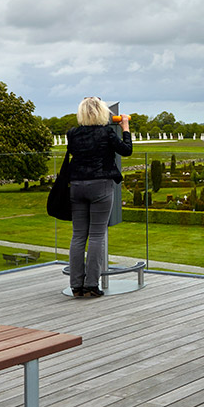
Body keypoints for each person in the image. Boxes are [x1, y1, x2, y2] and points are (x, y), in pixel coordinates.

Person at [66, 97, 132, 298]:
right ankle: (92, 285)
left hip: (76, 186)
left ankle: (76, 285)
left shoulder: (72, 134)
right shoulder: (107, 133)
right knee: (96, 235)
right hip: (100, 185)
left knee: (78, 236)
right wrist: (125, 126)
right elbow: (126, 151)